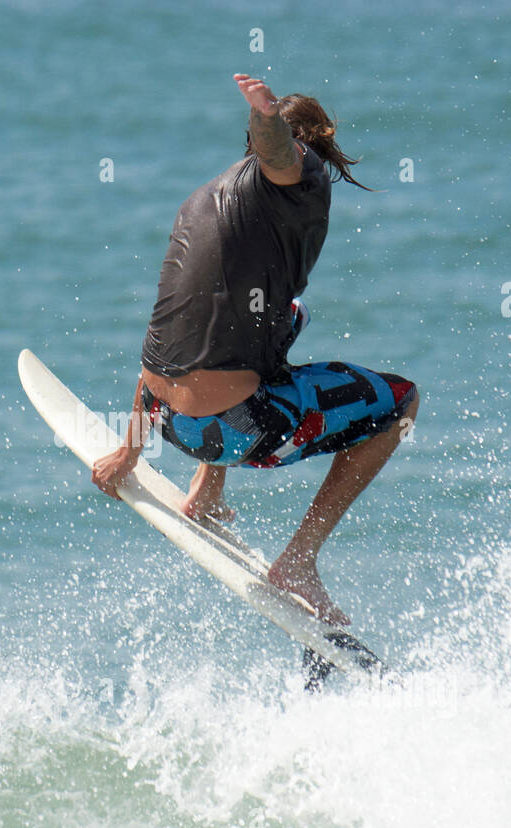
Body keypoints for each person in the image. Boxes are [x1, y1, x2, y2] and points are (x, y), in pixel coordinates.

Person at [91, 73, 419, 633]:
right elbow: (281, 155)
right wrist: (267, 117)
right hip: (238, 428)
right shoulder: (303, 176)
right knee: (401, 402)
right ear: (318, 145)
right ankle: (298, 562)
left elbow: (172, 329)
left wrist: (129, 453)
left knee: (288, 315)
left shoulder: (206, 200)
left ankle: (206, 490)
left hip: (163, 419)